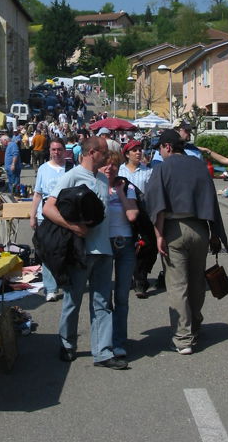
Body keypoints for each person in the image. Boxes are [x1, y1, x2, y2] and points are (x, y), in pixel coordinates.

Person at [43, 136, 128, 369]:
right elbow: (48, 207)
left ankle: (102, 352)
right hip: (81, 251)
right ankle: (67, 343)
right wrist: (72, 227)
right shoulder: (71, 176)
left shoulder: (102, 179)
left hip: (104, 250)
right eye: (103, 151)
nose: (106, 155)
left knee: (102, 301)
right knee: (73, 299)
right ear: (92, 153)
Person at [144, 129, 227, 355]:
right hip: (200, 228)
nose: (160, 152)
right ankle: (196, 325)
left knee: (178, 285)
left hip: (173, 229)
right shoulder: (199, 166)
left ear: (168, 147)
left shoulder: (163, 168)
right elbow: (211, 199)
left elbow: (156, 203)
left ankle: (183, 338)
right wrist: (214, 233)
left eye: (160, 147)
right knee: (197, 281)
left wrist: (158, 234)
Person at [99, 151, 139, 358]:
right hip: (103, 246)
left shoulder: (128, 186)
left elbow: (132, 215)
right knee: (104, 298)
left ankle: (119, 342)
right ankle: (104, 342)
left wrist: (121, 192)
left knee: (122, 296)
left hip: (125, 244)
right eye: (105, 164)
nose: (109, 168)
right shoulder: (94, 186)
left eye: (114, 165)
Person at [30, 138, 67, 302]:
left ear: (64, 151)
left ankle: (66, 284)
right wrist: (32, 215)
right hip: (45, 214)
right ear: (49, 151)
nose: (56, 152)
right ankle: (50, 288)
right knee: (47, 252)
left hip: (66, 215)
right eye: (53, 149)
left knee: (66, 251)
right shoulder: (44, 169)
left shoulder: (71, 168)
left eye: (59, 149)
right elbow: (37, 194)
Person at [118, 139, 153, 297]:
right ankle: (133, 277)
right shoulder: (119, 171)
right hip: (124, 214)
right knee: (129, 247)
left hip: (143, 215)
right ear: (127, 154)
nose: (139, 152)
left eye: (140, 150)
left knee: (146, 247)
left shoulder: (148, 171)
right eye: (135, 150)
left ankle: (141, 279)